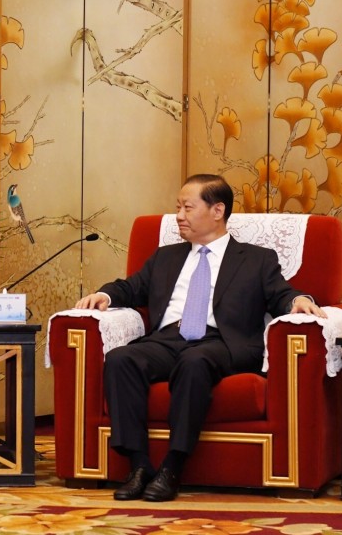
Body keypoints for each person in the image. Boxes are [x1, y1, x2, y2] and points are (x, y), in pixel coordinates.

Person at [73, 174, 325, 502]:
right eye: (177, 207)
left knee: (195, 362)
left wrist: (298, 300)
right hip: (169, 338)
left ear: (217, 211)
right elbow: (132, 287)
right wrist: (105, 295)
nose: (178, 216)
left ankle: (172, 466)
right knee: (121, 359)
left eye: (187, 208)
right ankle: (139, 465)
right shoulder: (166, 256)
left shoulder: (255, 259)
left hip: (223, 342)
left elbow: (280, 293)